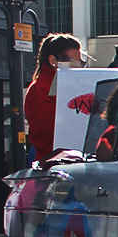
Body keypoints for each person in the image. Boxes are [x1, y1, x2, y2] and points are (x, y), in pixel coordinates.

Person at [25, 33, 85, 163]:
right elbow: (57, 129)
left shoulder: (69, 85)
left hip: (67, 159)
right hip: (52, 161)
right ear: (53, 61)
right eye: (72, 63)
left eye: (80, 63)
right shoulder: (40, 90)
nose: (78, 68)